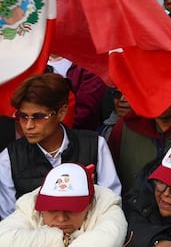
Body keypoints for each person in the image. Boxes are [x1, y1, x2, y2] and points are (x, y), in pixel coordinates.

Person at [0, 74, 121, 219]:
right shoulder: (9, 157)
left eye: (38, 117)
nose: (28, 126)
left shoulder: (95, 144)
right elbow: (9, 218)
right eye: (23, 116)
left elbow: (111, 203)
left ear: (61, 112)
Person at [0, 163, 127, 247]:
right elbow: (3, 239)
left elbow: (105, 241)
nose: (61, 218)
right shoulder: (30, 204)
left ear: (89, 203)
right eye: (52, 210)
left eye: (71, 210)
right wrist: (60, 239)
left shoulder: (108, 206)